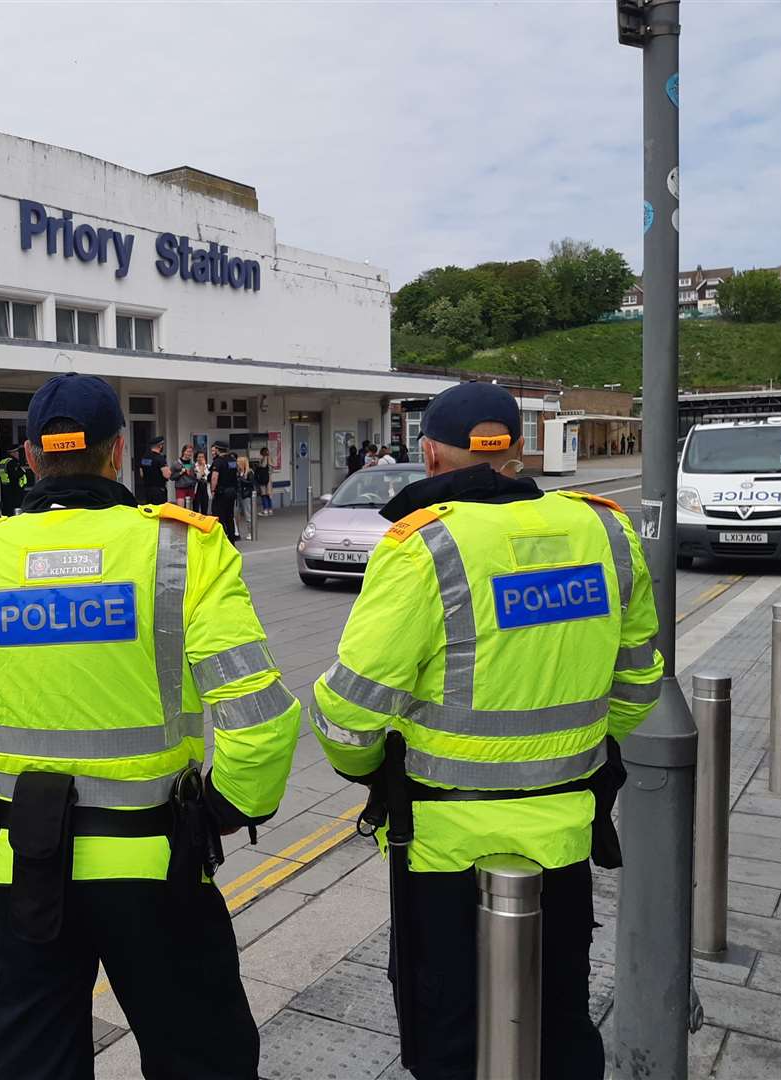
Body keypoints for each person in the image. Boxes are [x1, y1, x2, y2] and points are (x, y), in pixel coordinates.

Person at [0, 372, 301, 1080]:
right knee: (205, 1060)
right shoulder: (182, 550)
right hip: (160, 871)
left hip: (20, 870)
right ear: (117, 453)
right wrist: (231, 807)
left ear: (29, 455)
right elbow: (258, 715)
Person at [310, 381, 662, 1080]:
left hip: (445, 846)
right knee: (560, 1016)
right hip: (567, 829)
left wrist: (366, 770)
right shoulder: (605, 530)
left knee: (449, 1034)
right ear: (520, 448)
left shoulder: (425, 546)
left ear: (431, 457)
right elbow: (638, 686)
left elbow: (350, 715)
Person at [209, 442, 240, 543]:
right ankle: (231, 541)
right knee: (229, 517)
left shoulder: (218, 461)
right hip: (232, 492)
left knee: (219, 516)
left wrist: (213, 490)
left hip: (221, 493)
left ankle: (221, 541)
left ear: (218, 450)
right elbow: (236, 473)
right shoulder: (232, 460)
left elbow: (214, 478)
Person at [136, 435, 172, 504]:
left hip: (147, 489)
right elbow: (167, 475)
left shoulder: (144, 457)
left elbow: (141, 474)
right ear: (160, 446)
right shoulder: (160, 458)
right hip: (159, 490)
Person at [0, 444, 30, 517]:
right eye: (16, 452)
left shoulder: (2, 462)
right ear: (12, 453)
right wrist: (23, 471)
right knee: (16, 511)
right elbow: (15, 475)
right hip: (15, 491)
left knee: (8, 511)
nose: (18, 454)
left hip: (5, 491)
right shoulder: (13, 463)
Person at [172, 444, 197, 509]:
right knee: (181, 509)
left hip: (191, 488)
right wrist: (181, 473)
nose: (189, 453)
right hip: (180, 488)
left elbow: (195, 477)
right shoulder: (176, 463)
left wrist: (193, 474)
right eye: (188, 451)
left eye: (191, 452)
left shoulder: (193, 464)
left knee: (190, 509)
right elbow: (171, 477)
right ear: (183, 452)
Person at [254, 447, 273, 516]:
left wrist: (258, 465)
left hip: (263, 479)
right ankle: (270, 509)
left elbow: (263, 466)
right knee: (269, 494)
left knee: (264, 494)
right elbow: (272, 467)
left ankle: (265, 510)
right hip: (269, 478)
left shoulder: (264, 458)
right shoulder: (270, 458)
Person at [192, 451, 210, 516]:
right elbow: (198, 477)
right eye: (199, 457)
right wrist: (202, 469)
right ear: (196, 458)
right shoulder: (194, 466)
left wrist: (203, 467)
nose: (201, 458)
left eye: (202, 457)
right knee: (196, 507)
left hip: (205, 487)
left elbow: (208, 477)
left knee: (204, 506)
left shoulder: (208, 466)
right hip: (197, 488)